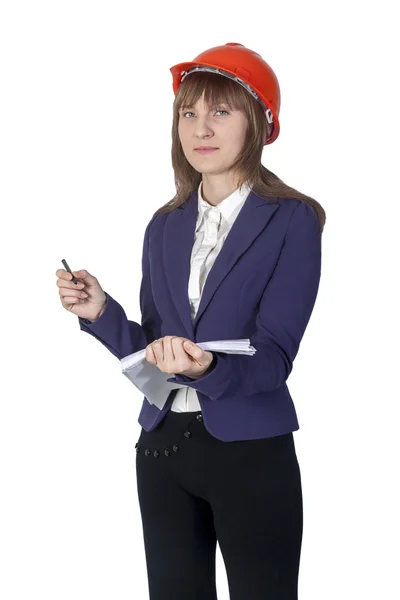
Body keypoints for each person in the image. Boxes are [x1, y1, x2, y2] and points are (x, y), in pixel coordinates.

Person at [55, 42, 326, 600]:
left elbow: (275, 355)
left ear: (256, 122)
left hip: (250, 449)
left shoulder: (294, 219)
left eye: (220, 111)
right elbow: (154, 354)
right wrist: (101, 314)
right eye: (189, 112)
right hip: (162, 451)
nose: (201, 127)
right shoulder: (164, 226)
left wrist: (207, 371)